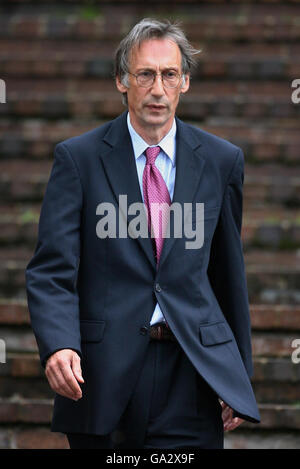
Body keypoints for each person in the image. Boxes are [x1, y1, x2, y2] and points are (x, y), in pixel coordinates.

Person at [25, 18, 260, 449]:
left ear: (185, 81)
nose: (157, 88)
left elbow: (228, 275)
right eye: (145, 74)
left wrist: (236, 372)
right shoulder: (78, 160)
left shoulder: (222, 161)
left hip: (191, 373)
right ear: (122, 80)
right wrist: (58, 343)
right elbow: (51, 270)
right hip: (101, 375)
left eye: (169, 74)